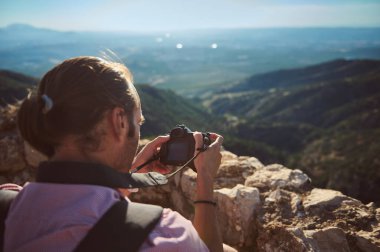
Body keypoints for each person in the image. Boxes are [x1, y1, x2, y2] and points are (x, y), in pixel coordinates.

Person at [5, 56, 225, 251]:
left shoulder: (7, 203)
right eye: (138, 122)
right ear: (119, 121)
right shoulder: (164, 237)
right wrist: (205, 179)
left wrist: (126, 178)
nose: (139, 130)